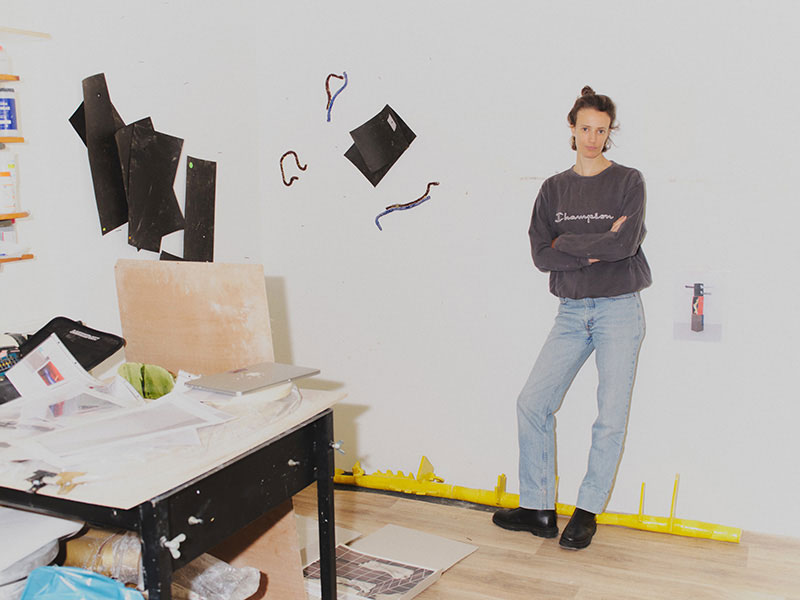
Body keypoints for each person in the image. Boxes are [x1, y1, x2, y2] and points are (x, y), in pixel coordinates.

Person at [492, 86, 651, 550]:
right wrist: (590, 249)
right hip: (570, 312)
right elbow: (541, 254)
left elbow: (625, 246)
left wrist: (569, 247)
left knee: (610, 416)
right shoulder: (553, 188)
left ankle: (586, 511)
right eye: (585, 128)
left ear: (609, 133)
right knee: (532, 402)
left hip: (619, 308)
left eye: (601, 130)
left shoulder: (628, 181)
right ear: (572, 128)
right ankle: (539, 508)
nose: (592, 138)